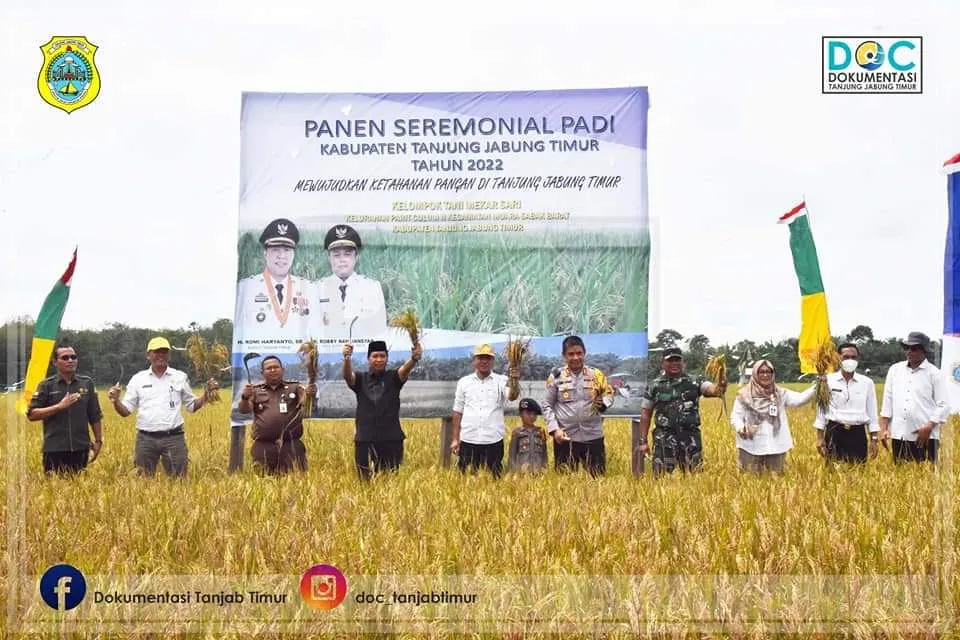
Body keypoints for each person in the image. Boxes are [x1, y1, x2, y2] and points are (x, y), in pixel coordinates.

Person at [107, 336, 218, 478]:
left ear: (169, 355)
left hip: (174, 438)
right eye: (156, 352)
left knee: (179, 483)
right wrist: (116, 401)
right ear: (148, 355)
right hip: (145, 440)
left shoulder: (180, 377)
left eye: (164, 352)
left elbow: (191, 405)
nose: (161, 355)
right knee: (143, 484)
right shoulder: (138, 379)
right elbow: (125, 411)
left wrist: (206, 395)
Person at [637, 347, 726, 475]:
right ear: (663, 363)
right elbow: (646, 415)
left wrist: (721, 381)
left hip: (690, 438)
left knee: (695, 478)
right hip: (664, 439)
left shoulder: (695, 381)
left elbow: (715, 391)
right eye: (670, 360)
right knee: (661, 479)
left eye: (677, 360)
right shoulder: (654, 386)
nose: (674, 363)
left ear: (683, 362)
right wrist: (643, 441)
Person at [235, 218, 319, 351]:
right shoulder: (245, 288)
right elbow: (239, 335)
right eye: (275, 250)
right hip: (261, 366)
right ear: (265, 254)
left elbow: (317, 334)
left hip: (300, 366)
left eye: (286, 250)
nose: (282, 256)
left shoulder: (309, 289)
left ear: (293, 255)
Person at [343, 339, 422, 480]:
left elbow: (405, 369)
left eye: (382, 356)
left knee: (389, 483)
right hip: (365, 440)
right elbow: (348, 377)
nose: (379, 360)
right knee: (364, 483)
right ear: (368, 359)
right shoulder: (361, 379)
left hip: (391, 440)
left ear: (387, 358)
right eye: (375, 356)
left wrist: (414, 358)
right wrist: (347, 358)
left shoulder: (394, 377)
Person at [542, 335, 615, 477]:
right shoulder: (556, 377)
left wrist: (603, 404)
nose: (576, 357)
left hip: (593, 437)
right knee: (565, 486)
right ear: (564, 356)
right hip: (565, 438)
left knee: (597, 483)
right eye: (571, 354)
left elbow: (609, 394)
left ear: (584, 353)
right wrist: (554, 430)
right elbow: (546, 405)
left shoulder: (596, 375)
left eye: (579, 353)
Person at [26, 345, 104, 475]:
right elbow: (32, 414)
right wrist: (59, 406)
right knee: (53, 491)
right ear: (55, 362)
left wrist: (98, 441)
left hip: (81, 448)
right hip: (54, 449)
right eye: (65, 358)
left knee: (79, 491)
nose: (70, 360)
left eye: (73, 357)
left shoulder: (86, 383)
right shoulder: (46, 385)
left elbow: (94, 415)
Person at [730, 359, 817, 473]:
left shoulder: (780, 394)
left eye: (769, 371)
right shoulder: (744, 395)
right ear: (755, 373)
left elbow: (799, 400)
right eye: (761, 372)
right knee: (750, 483)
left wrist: (819, 384)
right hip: (750, 446)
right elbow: (736, 416)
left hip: (775, 445)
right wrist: (740, 428)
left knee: (776, 482)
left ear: (773, 374)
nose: (765, 375)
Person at [450, 344, 520, 477]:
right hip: (468, 439)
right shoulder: (464, 382)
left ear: (493, 361)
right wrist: (455, 438)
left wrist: (515, 380)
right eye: (480, 358)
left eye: (488, 358)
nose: (484, 361)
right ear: (474, 360)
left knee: (494, 482)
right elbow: (457, 411)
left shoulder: (502, 381)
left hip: (493, 440)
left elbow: (512, 396)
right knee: (465, 481)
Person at [238, 356, 316, 475]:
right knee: (263, 486)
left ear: (282, 369)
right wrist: (245, 397)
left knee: (296, 484)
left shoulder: (294, 388)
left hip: (291, 446)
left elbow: (305, 404)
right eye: (269, 368)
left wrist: (310, 395)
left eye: (276, 367)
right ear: (262, 372)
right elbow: (244, 410)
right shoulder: (255, 390)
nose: (273, 370)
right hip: (263, 447)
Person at [879, 331, 948, 464]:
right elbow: (887, 400)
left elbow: (944, 405)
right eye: (907, 348)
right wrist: (884, 428)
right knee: (901, 479)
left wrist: (929, 426)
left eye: (914, 348)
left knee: (926, 479)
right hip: (900, 434)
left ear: (924, 351)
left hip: (925, 436)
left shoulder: (934, 374)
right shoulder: (895, 370)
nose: (909, 352)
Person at [319, 224, 387, 344]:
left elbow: (380, 329)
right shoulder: (318, 288)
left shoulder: (372, 287)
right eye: (336, 255)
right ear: (328, 258)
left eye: (347, 254)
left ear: (356, 257)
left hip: (363, 356)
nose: (342, 260)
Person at [813, 342, 880, 463]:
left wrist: (874, 439)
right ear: (838, 357)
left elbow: (872, 413)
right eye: (846, 357)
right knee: (833, 477)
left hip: (858, 434)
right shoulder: (827, 380)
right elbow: (821, 411)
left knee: (858, 475)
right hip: (834, 432)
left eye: (853, 357)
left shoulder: (867, 383)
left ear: (858, 359)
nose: (850, 360)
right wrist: (819, 437)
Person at [507, 398, 549, 474]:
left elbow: (544, 453)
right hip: (522, 473)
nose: (532, 416)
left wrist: (545, 467)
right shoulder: (517, 433)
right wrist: (511, 473)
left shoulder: (540, 432)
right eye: (528, 413)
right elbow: (512, 456)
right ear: (520, 414)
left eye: (534, 414)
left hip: (538, 473)